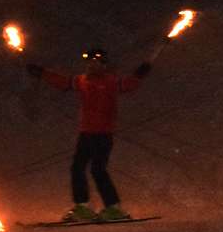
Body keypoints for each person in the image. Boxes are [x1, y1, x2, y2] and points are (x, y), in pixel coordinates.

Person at [27, 48, 152, 222]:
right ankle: (82, 207)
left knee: (97, 170)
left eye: (95, 62)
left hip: (103, 134)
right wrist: (42, 73)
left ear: (103, 64)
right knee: (77, 168)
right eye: (89, 62)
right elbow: (63, 82)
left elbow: (128, 84)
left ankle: (114, 208)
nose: (91, 65)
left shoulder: (110, 81)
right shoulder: (82, 80)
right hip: (86, 133)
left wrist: (141, 73)